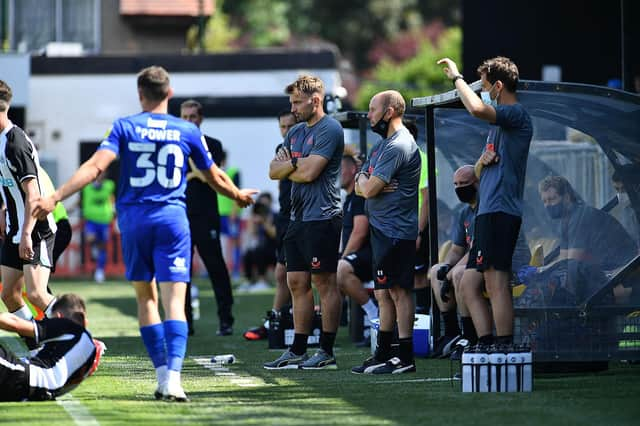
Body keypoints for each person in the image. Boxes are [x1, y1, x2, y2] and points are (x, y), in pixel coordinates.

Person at [32, 66, 256, 402]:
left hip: (135, 221)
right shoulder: (185, 130)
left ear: (140, 94)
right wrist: (238, 196)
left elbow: (94, 167)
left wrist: (55, 196)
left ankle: (162, 373)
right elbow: (214, 175)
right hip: (172, 221)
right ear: (169, 93)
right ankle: (174, 380)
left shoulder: (125, 126)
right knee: (174, 302)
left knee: (146, 299)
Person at [437, 56, 533, 347]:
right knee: (470, 282)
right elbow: (479, 173)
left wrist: (457, 78)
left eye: (486, 85)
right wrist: (480, 162)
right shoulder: (498, 127)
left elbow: (477, 108)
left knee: (496, 281)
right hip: (487, 211)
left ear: (499, 86)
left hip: (501, 210)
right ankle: (484, 341)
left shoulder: (516, 113)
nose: (483, 91)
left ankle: (503, 345)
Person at [265, 75, 344, 369]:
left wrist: (292, 167)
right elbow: (274, 171)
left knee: (324, 283)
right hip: (296, 218)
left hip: (322, 217)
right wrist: (298, 164)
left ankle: (326, 351)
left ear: (316, 100)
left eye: (297, 102)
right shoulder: (295, 132)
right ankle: (296, 350)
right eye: (292, 102)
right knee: (296, 282)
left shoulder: (330, 129)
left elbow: (310, 174)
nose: (293, 108)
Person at [352, 90, 421, 374]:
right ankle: (383, 353)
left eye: (372, 109)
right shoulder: (381, 146)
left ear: (390, 111)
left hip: (396, 230)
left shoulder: (399, 144)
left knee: (399, 292)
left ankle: (405, 358)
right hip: (381, 229)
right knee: (383, 293)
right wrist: (365, 178)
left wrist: (366, 180)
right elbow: (362, 183)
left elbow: (367, 189)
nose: (369, 115)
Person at [0, 79, 58, 333]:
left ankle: (80, 340)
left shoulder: (15, 142)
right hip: (15, 229)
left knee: (35, 294)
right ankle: (38, 343)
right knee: (10, 295)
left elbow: (33, 194)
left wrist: (25, 234)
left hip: (35, 229)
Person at [180, 99, 235, 337]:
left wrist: (194, 173)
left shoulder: (213, 145)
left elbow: (211, 176)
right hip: (180, 216)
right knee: (181, 272)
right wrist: (196, 173)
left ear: (200, 119)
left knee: (216, 267)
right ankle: (185, 322)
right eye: (185, 117)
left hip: (206, 215)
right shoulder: (173, 145)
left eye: (193, 116)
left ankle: (226, 320)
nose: (190, 121)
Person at [243, 110, 295, 341]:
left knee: (317, 278)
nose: (286, 131)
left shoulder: (311, 145)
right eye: (282, 127)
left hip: (304, 217)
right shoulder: (281, 149)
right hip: (286, 219)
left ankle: (282, 320)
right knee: (284, 273)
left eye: (290, 126)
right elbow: (274, 172)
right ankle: (277, 319)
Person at [0, 293, 105, 401]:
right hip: (31, 391)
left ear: (59, 317)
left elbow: (14, 323)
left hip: (23, 377)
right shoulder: (90, 352)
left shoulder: (67, 325)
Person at [429, 165, 479, 358]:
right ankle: (451, 333)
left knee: (458, 274)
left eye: (464, 183)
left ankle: (469, 335)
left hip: (488, 263)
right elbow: (457, 249)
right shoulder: (464, 212)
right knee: (436, 270)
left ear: (477, 183)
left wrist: (452, 271)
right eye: (456, 184)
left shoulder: (485, 208)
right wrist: (447, 266)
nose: (459, 188)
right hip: (471, 261)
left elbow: (475, 248)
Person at [336, 147, 378, 336]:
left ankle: (373, 314)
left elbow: (360, 232)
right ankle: (327, 328)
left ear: (353, 170)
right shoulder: (349, 199)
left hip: (369, 254)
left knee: (340, 269)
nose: (337, 175)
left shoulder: (360, 197)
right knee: (324, 271)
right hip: (355, 255)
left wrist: (342, 258)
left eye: (340, 169)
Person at [404, 120, 431, 315]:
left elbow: (427, 199)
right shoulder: (398, 161)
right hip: (400, 227)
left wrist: (419, 232)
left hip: (416, 227)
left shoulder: (421, 160)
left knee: (419, 276)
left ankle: (422, 320)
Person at [81, 169, 115, 283]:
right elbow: (81, 201)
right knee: (90, 238)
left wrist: (114, 210)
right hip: (91, 220)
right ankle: (94, 247)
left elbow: (111, 199)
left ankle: (100, 271)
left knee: (103, 247)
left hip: (104, 220)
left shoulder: (109, 186)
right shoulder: (87, 188)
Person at [241, 192, 277, 291]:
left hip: (275, 249)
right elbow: (251, 233)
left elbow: (274, 234)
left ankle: (262, 282)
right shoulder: (257, 216)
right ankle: (248, 281)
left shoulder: (275, 215)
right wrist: (253, 220)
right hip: (262, 248)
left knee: (260, 251)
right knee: (248, 253)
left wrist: (265, 222)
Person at [217, 150, 242, 279]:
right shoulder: (212, 172)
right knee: (217, 243)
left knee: (234, 242)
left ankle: (236, 270)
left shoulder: (233, 172)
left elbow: (238, 192)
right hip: (217, 214)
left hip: (231, 215)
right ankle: (220, 271)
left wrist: (234, 211)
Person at [610, 167, 640, 249]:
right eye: (617, 189)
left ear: (636, 186)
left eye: (624, 189)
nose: (620, 193)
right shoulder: (626, 210)